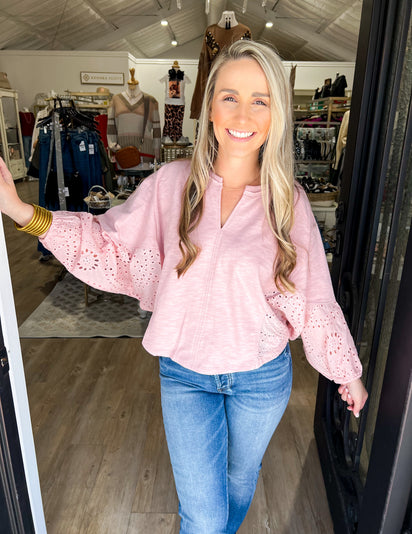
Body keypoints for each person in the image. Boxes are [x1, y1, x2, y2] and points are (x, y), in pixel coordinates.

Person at [0, 40, 368, 534]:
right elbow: (108, 245)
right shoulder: (171, 185)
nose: (243, 112)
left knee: (240, 481)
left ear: (277, 112)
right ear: (210, 105)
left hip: (260, 380)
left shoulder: (289, 201)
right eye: (230, 96)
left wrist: (346, 370)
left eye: (260, 99)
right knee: (204, 515)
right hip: (185, 376)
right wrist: (23, 211)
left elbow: (314, 297)